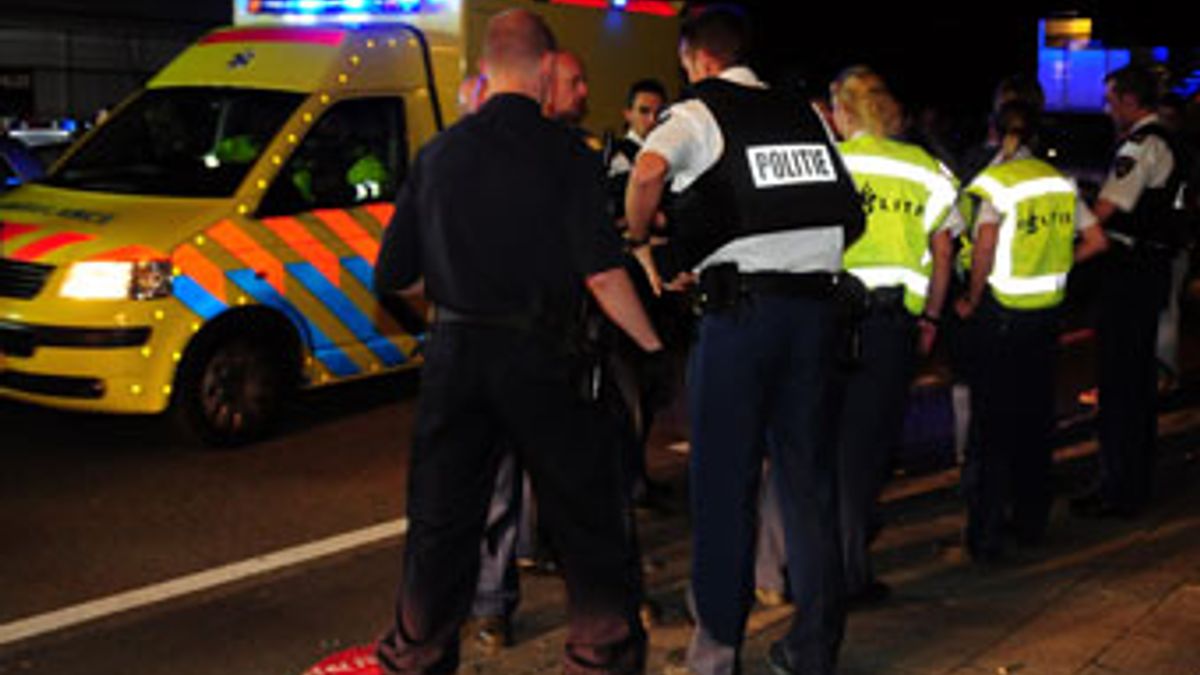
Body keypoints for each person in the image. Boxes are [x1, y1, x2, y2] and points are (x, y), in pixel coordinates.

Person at [372, 10, 663, 674]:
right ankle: (599, 655)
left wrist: (451, 304)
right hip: (544, 356)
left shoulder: (438, 154)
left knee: (441, 522)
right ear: (542, 69)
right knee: (585, 518)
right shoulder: (568, 155)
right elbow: (600, 272)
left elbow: (394, 274)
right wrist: (648, 346)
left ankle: (415, 654)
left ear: (487, 67)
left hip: (455, 354)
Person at [625, 6, 864, 674]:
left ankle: (717, 650)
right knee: (807, 487)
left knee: (724, 485)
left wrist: (641, 238)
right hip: (816, 317)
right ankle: (815, 648)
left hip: (741, 321)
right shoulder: (804, 113)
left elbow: (646, 174)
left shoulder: (698, 112)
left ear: (694, 58)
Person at [827, 65, 958, 599]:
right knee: (866, 453)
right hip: (890, 330)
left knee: (823, 449)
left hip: (827, 324)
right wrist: (930, 316)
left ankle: (816, 566)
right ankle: (848, 573)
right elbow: (944, 251)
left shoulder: (831, 162)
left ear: (846, 111)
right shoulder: (925, 168)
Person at [956, 99, 1107, 560]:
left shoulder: (998, 182)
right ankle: (1031, 521)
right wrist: (1060, 265)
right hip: (1046, 317)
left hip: (1002, 315)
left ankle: (986, 535)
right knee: (1035, 421)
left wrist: (973, 297)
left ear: (1000, 134)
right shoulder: (1059, 183)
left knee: (992, 428)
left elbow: (984, 247)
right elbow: (1097, 241)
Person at [1071, 64, 1191, 519]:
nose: (1106, 107)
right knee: (1136, 384)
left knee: (1120, 385)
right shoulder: (1172, 141)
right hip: (1152, 269)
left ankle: (1117, 486)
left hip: (1129, 273)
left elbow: (1106, 210)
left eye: (1110, 98)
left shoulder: (1141, 146)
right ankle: (1130, 480)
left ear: (1127, 100)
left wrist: (1071, 204)